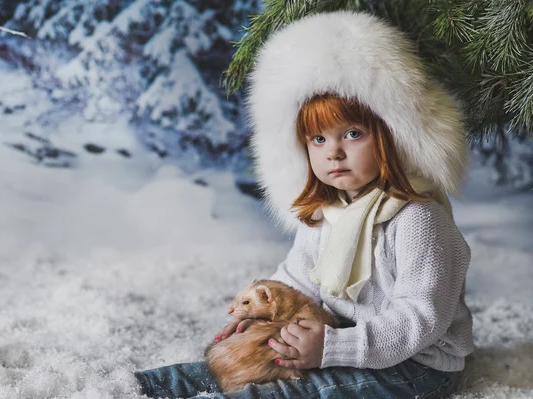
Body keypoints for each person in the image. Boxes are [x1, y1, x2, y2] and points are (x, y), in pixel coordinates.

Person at [133, 10, 473, 398]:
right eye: (318, 140)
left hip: (414, 367)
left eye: (353, 133)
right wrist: (261, 315)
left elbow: (420, 320)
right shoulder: (327, 213)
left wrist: (331, 348)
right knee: (230, 366)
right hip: (335, 339)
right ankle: (136, 388)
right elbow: (296, 281)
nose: (335, 153)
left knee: (295, 392)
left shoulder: (418, 220)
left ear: (393, 137)